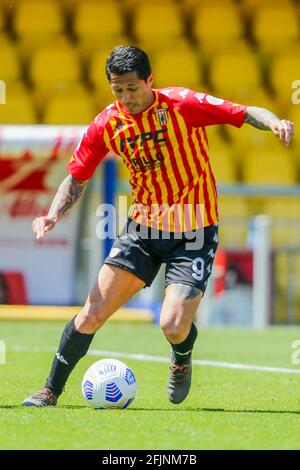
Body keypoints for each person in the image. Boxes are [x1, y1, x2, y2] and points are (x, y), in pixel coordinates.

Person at [22, 45, 294, 407]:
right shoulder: (107, 122)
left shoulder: (183, 104)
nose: (126, 98)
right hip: (143, 230)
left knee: (172, 325)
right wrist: (54, 213)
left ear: (151, 80)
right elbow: (76, 176)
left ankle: (181, 357)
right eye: (118, 90)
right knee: (92, 312)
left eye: (133, 89)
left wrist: (274, 121)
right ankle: (49, 391)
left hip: (194, 232)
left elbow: (243, 113)